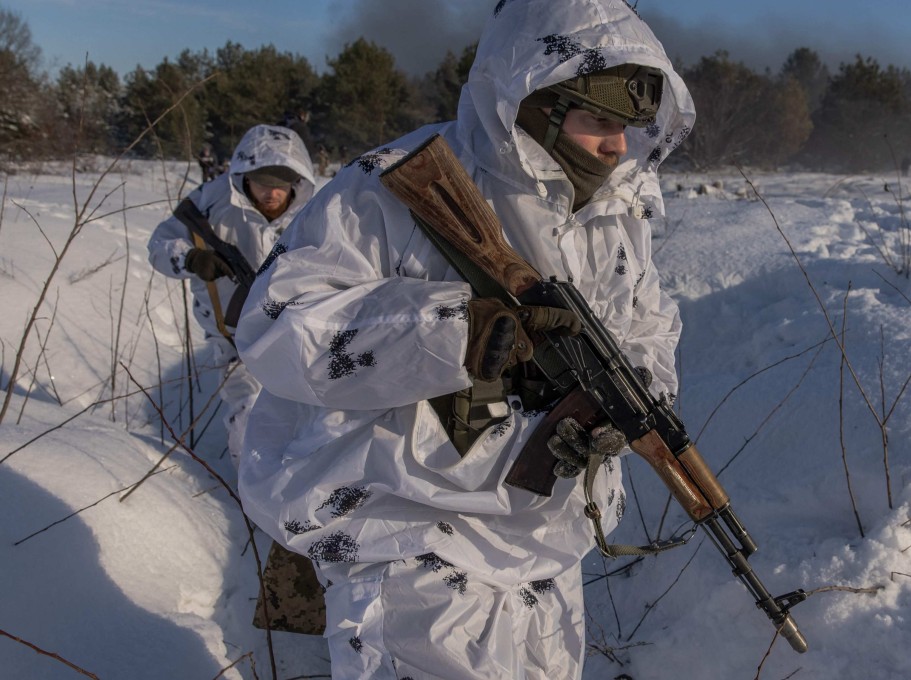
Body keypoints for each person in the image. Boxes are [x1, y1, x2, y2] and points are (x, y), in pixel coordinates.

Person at [234, 1, 695, 678]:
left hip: (544, 542)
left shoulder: (616, 212)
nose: (617, 146)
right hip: (408, 531)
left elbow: (646, 323)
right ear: (535, 98)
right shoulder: (393, 187)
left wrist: (633, 394)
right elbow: (278, 326)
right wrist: (460, 331)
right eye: (599, 119)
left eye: (627, 125)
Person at [148, 124, 315, 465]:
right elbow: (160, 244)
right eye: (263, 182)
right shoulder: (211, 204)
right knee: (248, 421)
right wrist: (191, 258)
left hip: (299, 338)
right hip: (235, 343)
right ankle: (252, 502)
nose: (272, 193)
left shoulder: (314, 213)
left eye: (281, 184)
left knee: (316, 425)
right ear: (244, 177)